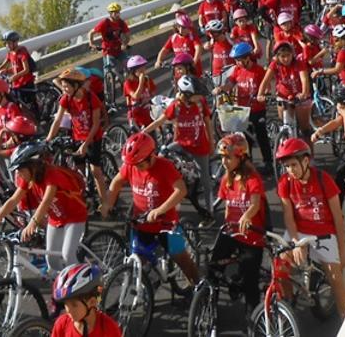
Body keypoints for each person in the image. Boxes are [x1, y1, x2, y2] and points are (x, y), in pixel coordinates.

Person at [99, 133, 199, 285]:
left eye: (140, 165)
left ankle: (199, 289)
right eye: (133, 165)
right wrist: (108, 203)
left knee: (182, 260)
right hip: (142, 223)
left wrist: (160, 210)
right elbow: (116, 182)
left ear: (151, 156)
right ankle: (149, 286)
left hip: (166, 223)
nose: (136, 168)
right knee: (139, 261)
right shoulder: (131, 166)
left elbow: (181, 190)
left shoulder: (165, 166)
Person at [274, 138, 345, 318]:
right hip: (298, 232)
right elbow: (288, 216)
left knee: (335, 278)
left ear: (306, 161)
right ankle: (288, 305)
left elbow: (338, 218)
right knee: (279, 267)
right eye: (287, 166)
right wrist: (295, 242)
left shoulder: (324, 180)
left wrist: (342, 251)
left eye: (293, 165)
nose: (290, 170)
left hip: (323, 233)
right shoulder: (285, 182)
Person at [0, 141, 88, 273]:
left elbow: (46, 201)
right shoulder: (28, 177)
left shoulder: (52, 175)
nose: (18, 174)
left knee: (68, 255)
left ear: (33, 166)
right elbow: (13, 200)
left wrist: (32, 224)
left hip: (74, 216)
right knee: (52, 261)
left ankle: (86, 285)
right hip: (56, 218)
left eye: (20, 170)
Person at [210, 133, 267, 307]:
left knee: (250, 283)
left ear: (240, 157)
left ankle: (254, 320)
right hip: (233, 231)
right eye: (222, 157)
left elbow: (255, 204)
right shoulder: (227, 179)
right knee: (212, 267)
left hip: (252, 236)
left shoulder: (252, 179)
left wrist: (246, 216)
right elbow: (228, 206)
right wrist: (226, 226)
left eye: (228, 157)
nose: (223, 162)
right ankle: (208, 304)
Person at [144, 75, 213, 215]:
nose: (199, 97)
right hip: (181, 144)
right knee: (162, 154)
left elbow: (207, 122)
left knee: (206, 181)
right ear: (186, 95)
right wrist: (143, 132)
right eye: (196, 95)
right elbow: (160, 121)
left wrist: (211, 142)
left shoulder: (201, 103)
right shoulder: (175, 106)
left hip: (199, 146)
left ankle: (209, 212)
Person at [45, 68, 109, 206]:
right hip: (76, 137)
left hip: (93, 138)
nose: (64, 90)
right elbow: (57, 120)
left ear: (76, 86)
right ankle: (86, 193)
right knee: (78, 172)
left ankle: (106, 203)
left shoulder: (92, 99)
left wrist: (85, 145)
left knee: (95, 171)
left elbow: (96, 123)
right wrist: (48, 139)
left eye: (67, 87)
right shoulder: (65, 99)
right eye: (63, 87)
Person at [216, 42, 273, 175]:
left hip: (258, 109)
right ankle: (248, 163)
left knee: (261, 135)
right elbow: (230, 83)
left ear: (248, 58)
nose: (237, 62)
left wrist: (263, 95)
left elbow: (267, 86)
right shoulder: (237, 70)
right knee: (245, 138)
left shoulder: (259, 71)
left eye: (239, 60)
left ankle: (268, 162)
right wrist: (221, 89)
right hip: (243, 111)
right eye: (236, 60)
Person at [50, 263, 123, 337]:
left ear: (92, 302)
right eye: (66, 304)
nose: (68, 310)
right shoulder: (61, 325)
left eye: (74, 305)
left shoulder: (109, 328)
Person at [258, 41, 314, 137]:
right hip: (283, 96)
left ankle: (309, 151)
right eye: (282, 56)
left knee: (305, 130)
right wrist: (260, 94)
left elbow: (304, 80)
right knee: (284, 125)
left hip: (299, 97)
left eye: (288, 55)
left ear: (292, 54)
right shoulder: (274, 64)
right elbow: (265, 80)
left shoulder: (299, 63)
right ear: (277, 57)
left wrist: (304, 93)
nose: (286, 59)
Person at [89, 2, 131, 100]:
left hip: (118, 49)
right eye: (114, 12)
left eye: (118, 12)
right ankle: (108, 91)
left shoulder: (121, 23)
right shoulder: (105, 23)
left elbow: (127, 35)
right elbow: (91, 33)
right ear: (110, 13)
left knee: (129, 65)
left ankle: (127, 83)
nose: (116, 14)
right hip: (108, 51)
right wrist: (91, 44)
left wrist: (124, 44)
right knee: (109, 70)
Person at [0, 31, 38, 117]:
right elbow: (5, 63)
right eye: (6, 43)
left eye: (9, 43)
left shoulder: (22, 52)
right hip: (16, 84)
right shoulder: (10, 53)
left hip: (26, 82)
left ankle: (37, 122)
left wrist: (15, 76)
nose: (7, 45)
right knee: (16, 104)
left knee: (28, 106)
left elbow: (26, 69)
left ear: (15, 42)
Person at [122, 55, 157, 130]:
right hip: (136, 115)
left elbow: (153, 92)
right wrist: (141, 82)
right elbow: (135, 96)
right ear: (133, 71)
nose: (143, 71)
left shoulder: (147, 79)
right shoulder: (128, 83)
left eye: (144, 68)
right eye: (140, 70)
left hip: (148, 112)